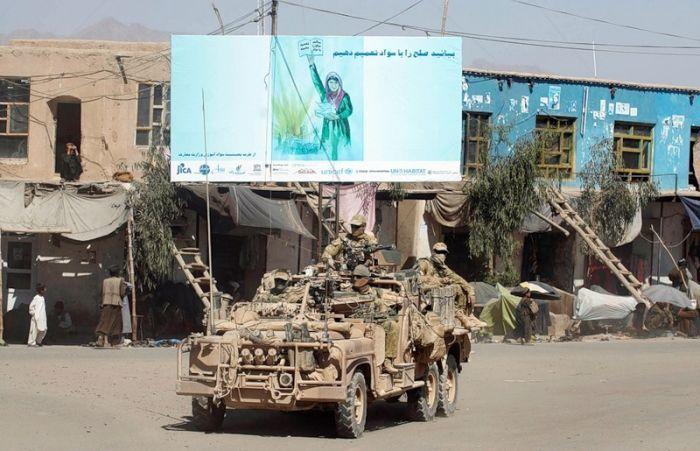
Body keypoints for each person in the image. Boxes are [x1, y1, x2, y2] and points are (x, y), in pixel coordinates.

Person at [416, 242, 479, 329]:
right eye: (439, 252)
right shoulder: (424, 263)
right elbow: (418, 278)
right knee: (447, 291)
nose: (441, 255)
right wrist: (439, 280)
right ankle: (461, 317)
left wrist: (469, 289)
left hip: (440, 293)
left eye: (444, 253)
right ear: (433, 252)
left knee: (459, 287)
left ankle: (467, 314)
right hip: (425, 294)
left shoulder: (442, 267)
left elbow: (456, 277)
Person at [351, 265, 399, 374]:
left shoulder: (377, 293)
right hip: (354, 322)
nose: (355, 279)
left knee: (392, 326)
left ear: (365, 279)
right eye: (354, 276)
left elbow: (391, 303)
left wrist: (381, 307)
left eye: (358, 277)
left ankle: (387, 361)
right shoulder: (349, 291)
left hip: (375, 321)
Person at [307, 55, 353, 161]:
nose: (333, 85)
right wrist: (312, 65)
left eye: (335, 82)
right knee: (327, 154)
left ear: (339, 83)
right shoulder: (325, 95)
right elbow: (317, 83)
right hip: (328, 129)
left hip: (340, 129)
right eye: (331, 82)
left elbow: (349, 110)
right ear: (327, 83)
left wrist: (338, 116)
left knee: (340, 153)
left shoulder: (344, 96)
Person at [95, 266, 127, 347]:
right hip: (116, 303)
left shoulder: (105, 281)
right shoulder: (121, 280)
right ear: (118, 273)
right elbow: (122, 293)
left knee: (104, 321)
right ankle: (114, 342)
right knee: (116, 323)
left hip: (106, 302)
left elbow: (101, 293)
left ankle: (101, 338)